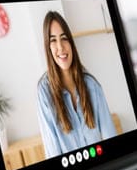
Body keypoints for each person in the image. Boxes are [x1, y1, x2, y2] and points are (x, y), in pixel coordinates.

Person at [37, 10, 116, 158]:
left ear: (71, 43)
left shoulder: (92, 85)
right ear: (48, 47)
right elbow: (53, 151)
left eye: (64, 38)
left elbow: (110, 135)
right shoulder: (44, 92)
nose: (60, 47)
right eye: (53, 40)